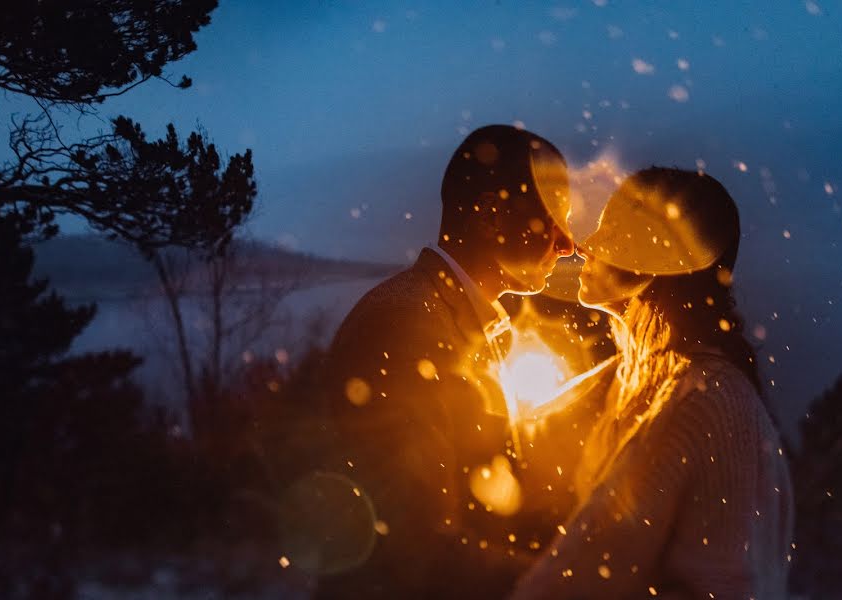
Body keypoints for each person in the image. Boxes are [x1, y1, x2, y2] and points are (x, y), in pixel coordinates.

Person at [510, 168, 794, 599]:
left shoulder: (703, 399)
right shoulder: (632, 378)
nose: (586, 247)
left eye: (612, 233)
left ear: (656, 259)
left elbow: (582, 572)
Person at [318, 124, 575, 597]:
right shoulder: (406, 328)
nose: (568, 244)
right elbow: (418, 551)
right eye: (555, 216)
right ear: (490, 215)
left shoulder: (449, 314)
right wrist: (588, 584)